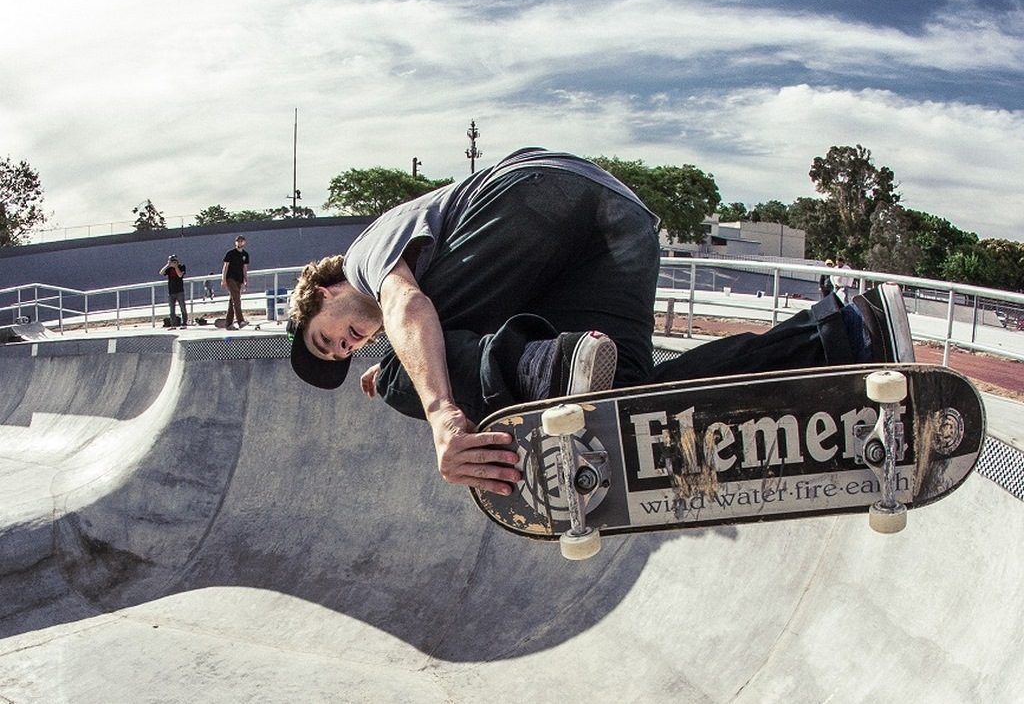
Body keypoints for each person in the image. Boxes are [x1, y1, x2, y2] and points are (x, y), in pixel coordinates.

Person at [285, 147, 915, 497]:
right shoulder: (394, 295)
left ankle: (543, 368)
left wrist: (441, 412)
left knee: (404, 371)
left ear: (324, 289)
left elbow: (409, 310)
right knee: (635, 401)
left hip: (538, 196)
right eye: (342, 353)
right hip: (624, 226)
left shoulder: (367, 258)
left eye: (328, 335)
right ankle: (847, 332)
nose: (345, 345)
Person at [221, 235, 250, 329]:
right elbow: (225, 267)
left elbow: (244, 268)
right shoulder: (230, 253)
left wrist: (246, 280)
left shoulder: (245, 254)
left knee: (233, 300)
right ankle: (240, 320)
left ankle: (228, 324)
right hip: (230, 278)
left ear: (244, 242)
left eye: (241, 241)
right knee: (236, 300)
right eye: (238, 241)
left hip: (239, 279)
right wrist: (223, 279)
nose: (239, 243)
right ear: (235, 242)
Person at [159, 254, 188, 328]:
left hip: (179, 291)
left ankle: (184, 323)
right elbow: (161, 272)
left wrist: (176, 267)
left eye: (174, 261)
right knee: (172, 310)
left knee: (182, 308)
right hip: (171, 292)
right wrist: (167, 265)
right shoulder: (169, 269)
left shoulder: (182, 267)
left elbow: (180, 275)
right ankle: (173, 325)